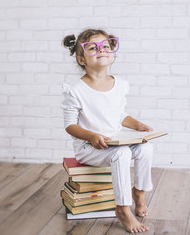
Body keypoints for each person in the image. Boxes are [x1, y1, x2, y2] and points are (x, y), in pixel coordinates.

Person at [61, 28, 153, 233]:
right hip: (89, 147)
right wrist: (92, 136)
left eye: (105, 46)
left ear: (112, 53)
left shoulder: (119, 84)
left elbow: (118, 116)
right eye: (93, 48)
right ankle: (122, 208)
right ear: (81, 60)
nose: (101, 50)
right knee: (121, 154)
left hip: (115, 140)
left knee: (146, 148)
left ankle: (139, 192)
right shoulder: (76, 90)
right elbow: (70, 125)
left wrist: (137, 125)